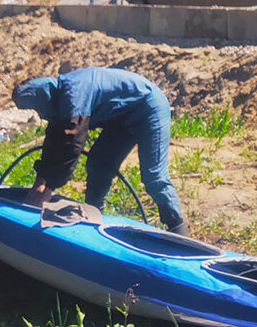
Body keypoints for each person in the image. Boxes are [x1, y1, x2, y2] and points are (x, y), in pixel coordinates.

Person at [11, 67, 190, 236]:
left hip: (149, 107)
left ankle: (179, 231)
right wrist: (40, 181)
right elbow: (54, 141)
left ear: (44, 98)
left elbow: (72, 144)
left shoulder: (73, 94)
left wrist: (49, 188)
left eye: (37, 109)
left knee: (154, 176)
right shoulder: (58, 101)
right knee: (98, 164)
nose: (40, 114)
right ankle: (94, 216)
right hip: (122, 116)